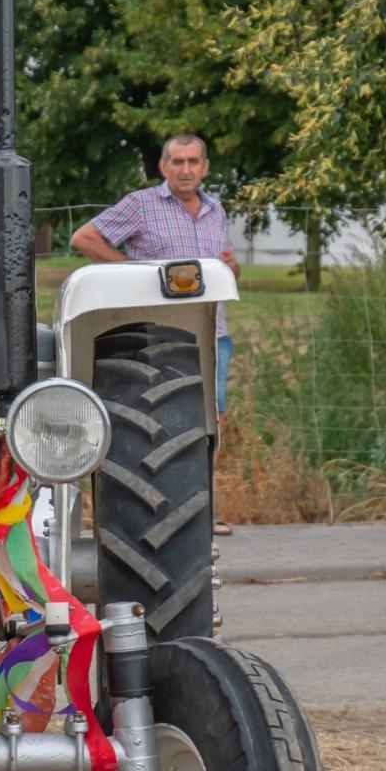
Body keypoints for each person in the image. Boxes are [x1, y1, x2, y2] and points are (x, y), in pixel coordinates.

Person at [70, 133, 239, 536]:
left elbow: (227, 275)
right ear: (163, 167)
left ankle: (204, 512)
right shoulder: (142, 205)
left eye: (193, 162)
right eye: (177, 162)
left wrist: (232, 267)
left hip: (213, 331)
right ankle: (152, 511)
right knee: (163, 420)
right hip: (158, 333)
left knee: (211, 419)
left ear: (205, 167)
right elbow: (84, 238)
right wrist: (137, 275)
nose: (185, 169)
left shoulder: (215, 210)